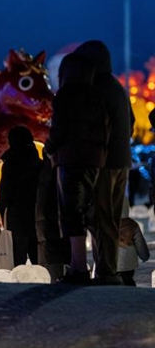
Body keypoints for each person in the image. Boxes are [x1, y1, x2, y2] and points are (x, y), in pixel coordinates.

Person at [44, 52, 108, 283]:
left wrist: (48, 148)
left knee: (71, 213)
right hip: (95, 160)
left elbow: (59, 130)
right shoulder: (96, 96)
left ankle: (78, 268)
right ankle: (97, 264)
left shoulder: (65, 95)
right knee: (90, 212)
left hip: (70, 159)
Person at [74, 40, 132, 285]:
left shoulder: (96, 88)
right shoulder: (116, 87)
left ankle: (107, 271)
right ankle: (107, 269)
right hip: (121, 160)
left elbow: (93, 127)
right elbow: (130, 122)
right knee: (111, 217)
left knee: (102, 217)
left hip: (104, 162)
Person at [0, 126, 42, 267]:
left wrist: (1, 208)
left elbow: (6, 190)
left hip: (17, 215)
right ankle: (41, 283)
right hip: (37, 213)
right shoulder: (39, 163)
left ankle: (17, 285)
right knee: (37, 257)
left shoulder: (11, 163)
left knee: (17, 257)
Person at [35, 150, 71, 283]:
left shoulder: (43, 168)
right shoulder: (59, 170)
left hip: (45, 222)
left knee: (51, 259)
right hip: (55, 221)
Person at [117, 206, 149, 286]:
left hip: (110, 262)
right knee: (128, 281)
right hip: (128, 263)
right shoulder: (132, 224)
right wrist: (145, 256)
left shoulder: (106, 224)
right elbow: (140, 243)